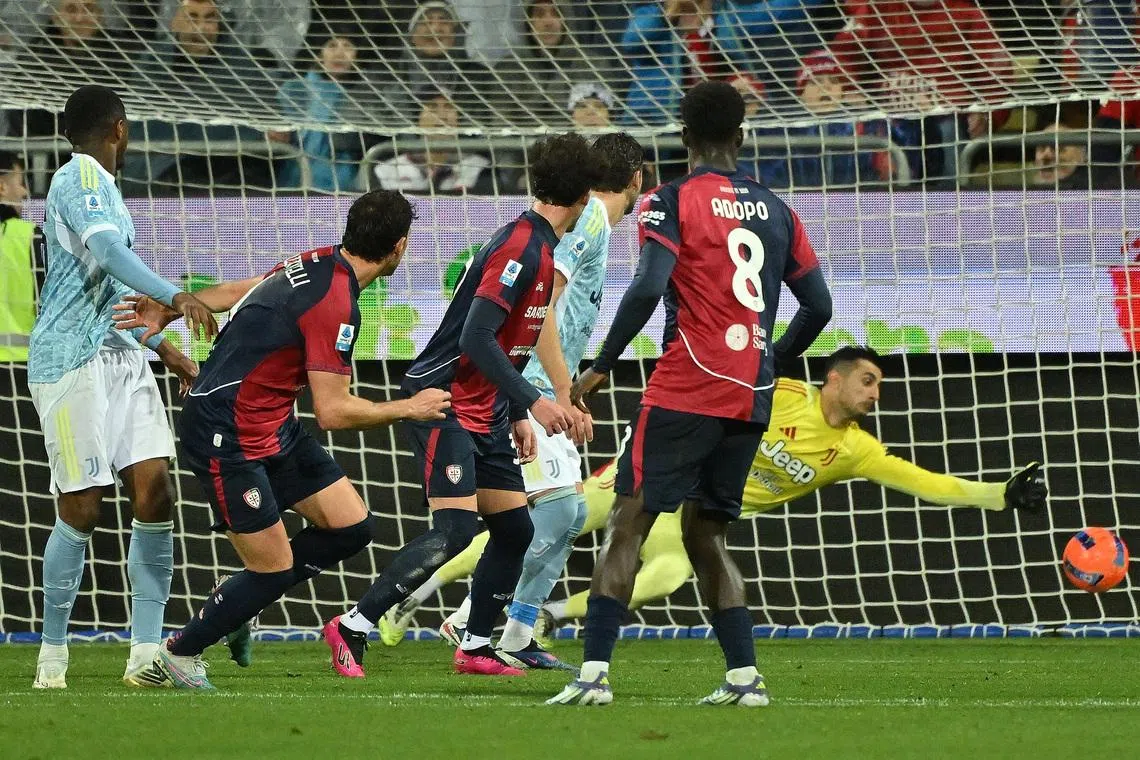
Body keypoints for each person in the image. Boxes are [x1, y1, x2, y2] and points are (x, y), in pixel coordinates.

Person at [379, 347, 1049, 641]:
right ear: (835, 379)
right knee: (542, 522)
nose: (875, 394)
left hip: (694, 512)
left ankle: (550, 617)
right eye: (868, 381)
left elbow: (928, 483)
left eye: (878, 386)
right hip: (648, 476)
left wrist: (997, 496)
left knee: (669, 571)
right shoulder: (779, 392)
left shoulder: (856, 451)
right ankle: (412, 594)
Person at [547, 80, 834, 706]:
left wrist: (601, 365)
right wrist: (772, 360)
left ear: (683, 137)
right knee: (708, 535)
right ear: (741, 136)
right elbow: (819, 306)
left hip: (688, 384)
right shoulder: (780, 210)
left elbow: (649, 288)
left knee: (628, 522)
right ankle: (743, 680)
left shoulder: (667, 200)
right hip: (751, 394)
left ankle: (593, 676)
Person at [115, 190, 452, 690]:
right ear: (399, 247)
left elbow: (244, 290)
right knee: (273, 571)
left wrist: (175, 307)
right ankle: (174, 656)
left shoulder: (314, 260)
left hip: (271, 426)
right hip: (224, 432)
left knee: (351, 527)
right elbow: (333, 412)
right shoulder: (336, 304)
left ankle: (237, 596)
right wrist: (411, 406)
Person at [324, 133, 598, 678]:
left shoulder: (539, 246)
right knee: (456, 528)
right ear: (584, 197)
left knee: (516, 528)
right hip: (442, 400)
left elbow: (512, 338)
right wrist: (535, 402)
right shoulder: (524, 246)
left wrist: (515, 411)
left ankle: (474, 645)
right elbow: (476, 338)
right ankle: (353, 626)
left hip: (487, 407)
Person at [380, 133, 645, 671]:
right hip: (529, 389)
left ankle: (507, 629)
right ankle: (454, 611)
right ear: (638, 179)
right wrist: (551, 394)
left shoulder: (584, 223)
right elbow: (539, 309)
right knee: (547, 515)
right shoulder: (588, 220)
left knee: (552, 517)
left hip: (532, 389)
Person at [26, 85, 214, 689]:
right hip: (70, 361)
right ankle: (51, 660)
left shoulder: (106, 190)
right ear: (120, 128)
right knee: (82, 508)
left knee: (155, 494)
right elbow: (108, 255)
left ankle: (146, 656)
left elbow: (111, 296)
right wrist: (173, 294)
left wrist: (173, 355)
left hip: (121, 356)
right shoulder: (79, 177)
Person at [0, 151, 37, 362]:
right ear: (2, 187)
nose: (24, 191)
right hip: (24, 366)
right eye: (21, 182)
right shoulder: (30, 235)